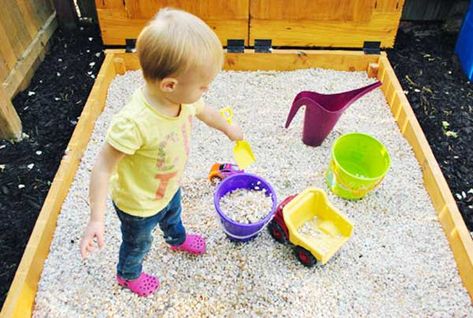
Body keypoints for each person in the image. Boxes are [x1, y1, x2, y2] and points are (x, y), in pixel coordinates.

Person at [79, 7, 243, 297]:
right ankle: (127, 275)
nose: (206, 91)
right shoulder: (134, 123)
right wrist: (96, 218)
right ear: (170, 84)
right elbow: (103, 167)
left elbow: (207, 112)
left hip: (167, 187)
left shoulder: (184, 99)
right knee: (138, 244)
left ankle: (176, 238)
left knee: (173, 216)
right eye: (203, 86)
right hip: (138, 205)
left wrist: (229, 130)